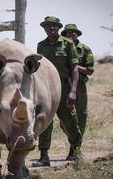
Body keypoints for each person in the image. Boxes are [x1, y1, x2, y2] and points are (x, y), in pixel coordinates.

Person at [32, 16, 82, 167]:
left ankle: (75, 151)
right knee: (44, 121)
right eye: (48, 26)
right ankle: (44, 155)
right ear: (44, 28)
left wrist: (73, 91)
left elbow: (74, 68)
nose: (51, 28)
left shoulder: (67, 44)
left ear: (59, 28)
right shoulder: (41, 46)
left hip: (64, 88)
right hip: (46, 90)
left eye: (54, 26)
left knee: (69, 121)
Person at [61, 24, 94, 158]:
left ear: (77, 34)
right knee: (65, 121)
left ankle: (75, 150)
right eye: (68, 33)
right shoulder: (61, 48)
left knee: (80, 117)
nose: (71, 35)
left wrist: (74, 65)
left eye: (73, 33)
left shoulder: (84, 49)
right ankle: (73, 141)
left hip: (79, 87)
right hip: (64, 86)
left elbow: (90, 70)